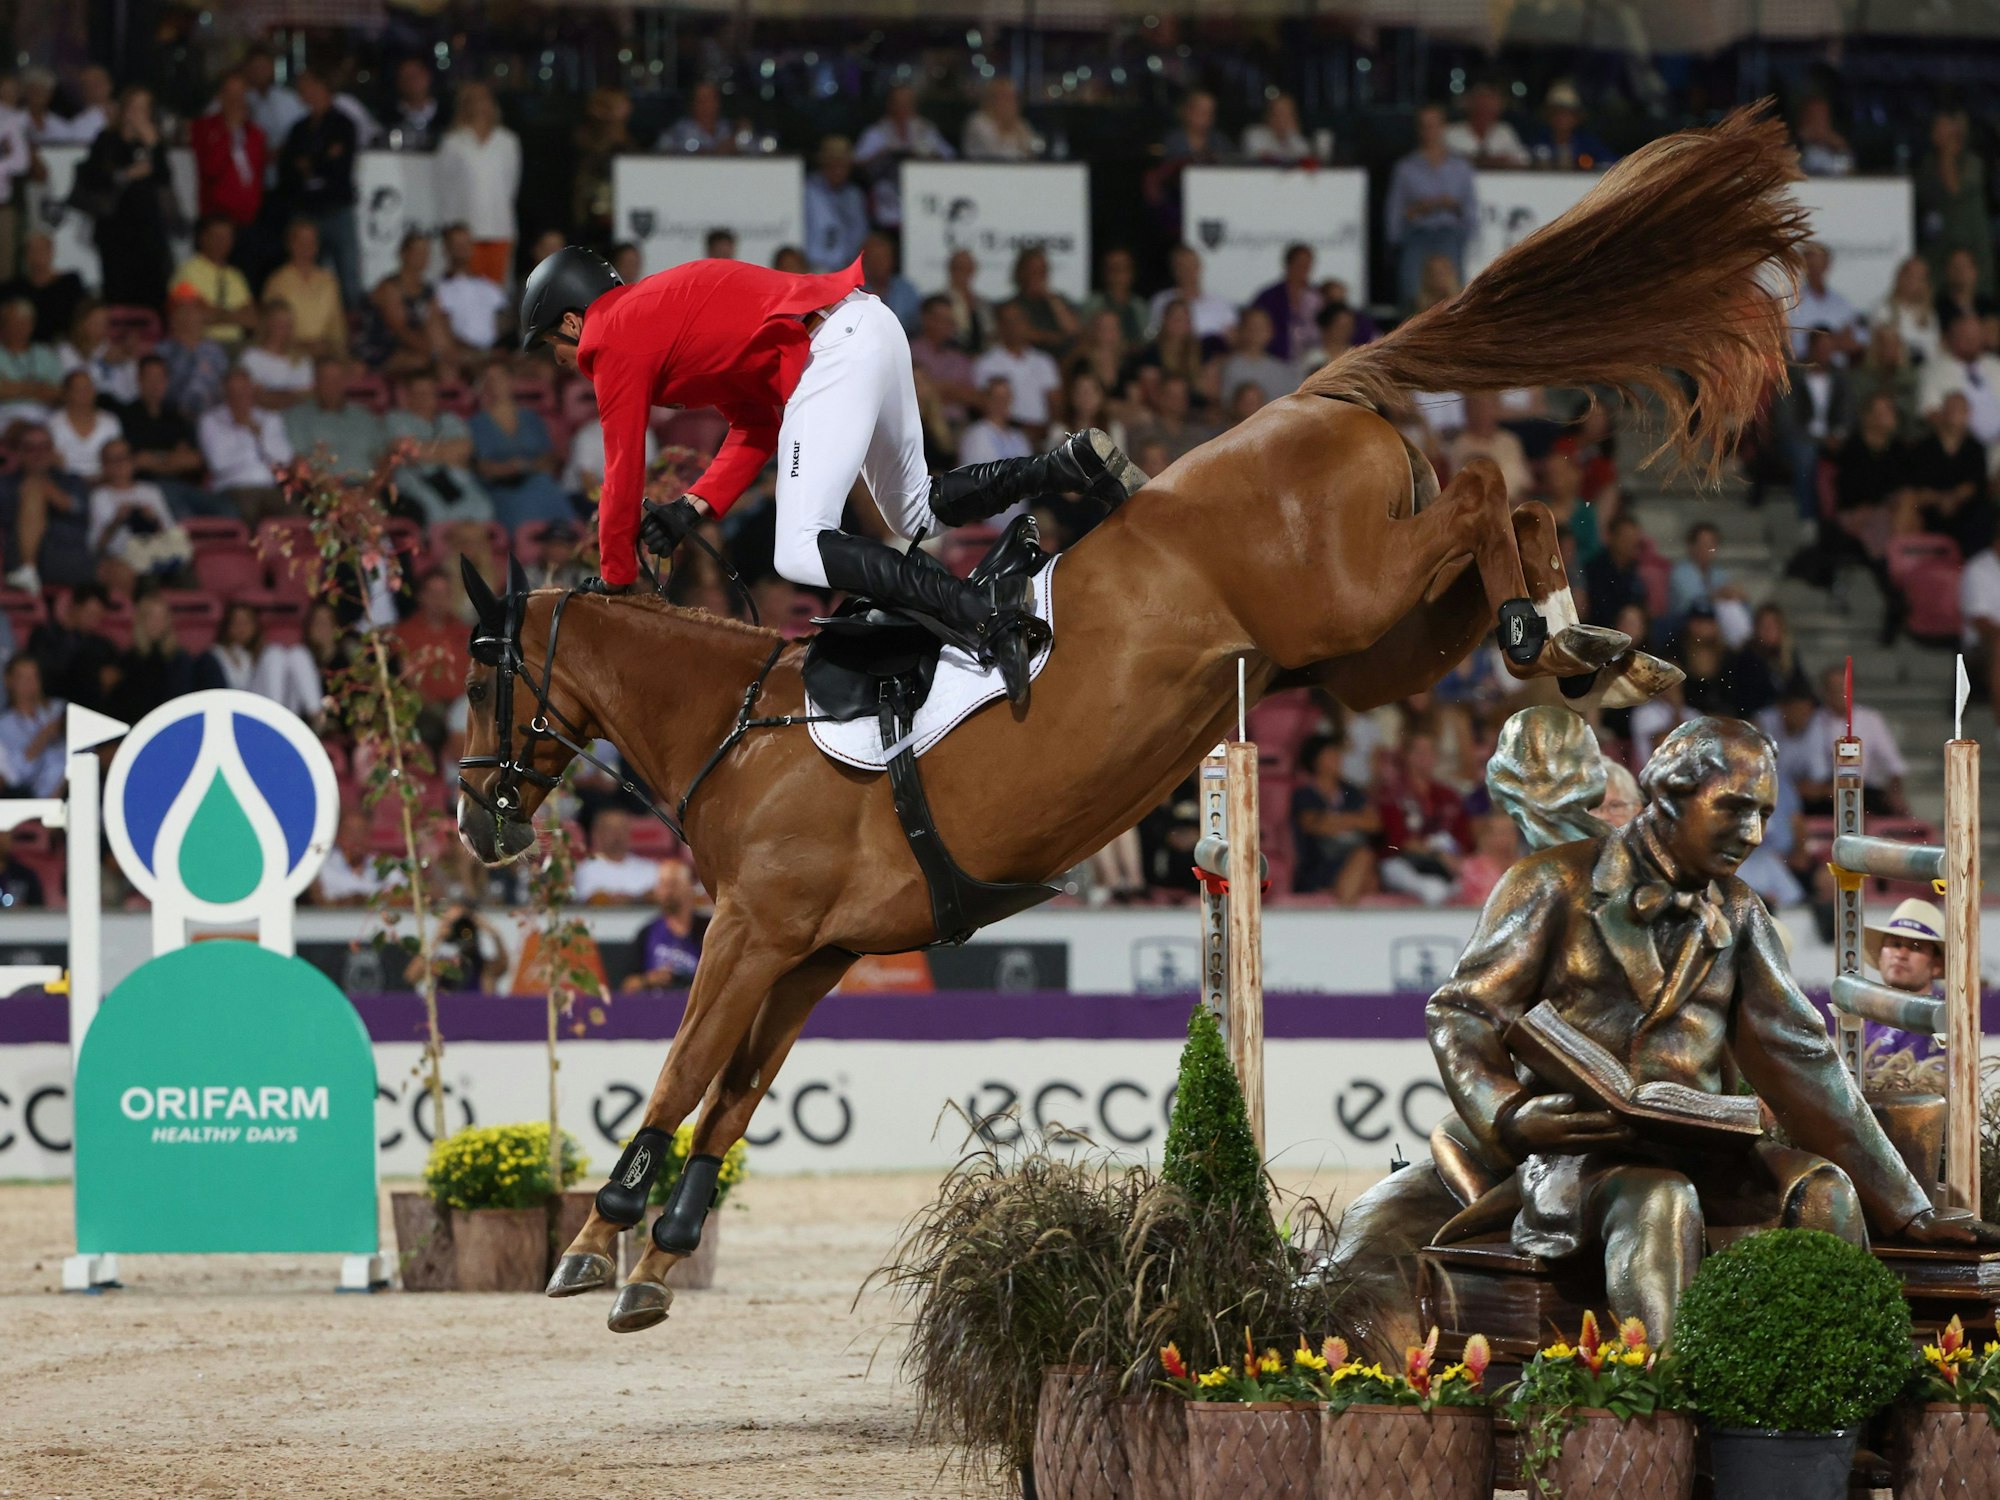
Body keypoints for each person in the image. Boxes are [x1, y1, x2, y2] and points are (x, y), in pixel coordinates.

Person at [1429, 719, 2000, 1345]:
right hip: (1581, 1158)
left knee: (1823, 1192)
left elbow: (1801, 1057)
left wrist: (1911, 1209)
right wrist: (1512, 1116)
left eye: (1763, 814)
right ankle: (1665, 1416)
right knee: (1660, 1201)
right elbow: (1464, 1013)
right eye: (1732, 806)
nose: (1752, 834)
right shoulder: (1549, 883)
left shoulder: (1741, 911)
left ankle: (1829, 1413)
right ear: (1669, 793)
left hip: (1709, 1150)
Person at [519, 244, 1138, 705]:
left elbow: (623, 464)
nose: (564, 362)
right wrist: (694, 506)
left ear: (574, 321)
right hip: (869, 323)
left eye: (555, 346)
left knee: (796, 549)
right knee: (914, 511)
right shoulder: (654, 319)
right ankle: (1068, 461)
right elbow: (758, 425)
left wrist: (616, 581)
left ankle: (981, 614)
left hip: (833, 346)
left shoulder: (613, 334)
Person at [77, 86, 174, 309]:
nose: (138, 114)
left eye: (144, 108)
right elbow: (93, 178)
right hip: (115, 230)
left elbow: (164, 178)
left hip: (148, 231)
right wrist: (126, 174)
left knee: (151, 289)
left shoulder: (151, 141)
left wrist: (154, 144)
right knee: (118, 290)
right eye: (134, 107)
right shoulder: (107, 139)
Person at [278, 71, 362, 308]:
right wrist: (324, 158)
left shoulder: (343, 124)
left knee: (348, 275)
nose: (306, 94)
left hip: (337, 209)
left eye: (310, 87)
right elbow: (290, 168)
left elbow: (340, 167)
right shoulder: (299, 128)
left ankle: (352, 328)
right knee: (310, 274)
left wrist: (311, 164)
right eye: (302, 90)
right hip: (307, 211)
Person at [1385, 104, 1477, 311]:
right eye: (1425, 126)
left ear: (1443, 127)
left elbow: (1470, 209)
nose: (1430, 132)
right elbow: (1395, 211)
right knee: (1412, 296)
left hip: (1449, 234)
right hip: (1417, 234)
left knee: (1453, 298)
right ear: (1419, 129)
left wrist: (1453, 208)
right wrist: (1417, 212)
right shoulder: (1406, 168)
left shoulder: (1460, 167)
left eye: (1434, 126)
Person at [434, 81, 519, 286]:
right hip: (465, 232)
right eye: (473, 100)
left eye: (484, 99)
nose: (480, 105)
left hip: (500, 229)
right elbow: (443, 188)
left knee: (496, 294)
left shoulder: (507, 141)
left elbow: (511, 185)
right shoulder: (453, 142)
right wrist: (450, 229)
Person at [1860, 897, 1947, 1090]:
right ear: (1881, 957)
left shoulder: (1944, 1022)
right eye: (1895, 944)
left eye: (1916, 947)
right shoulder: (1859, 1018)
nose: (1901, 954)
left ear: (1936, 965)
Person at [1374, 733, 1471, 906]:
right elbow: (1399, 841)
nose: (1425, 757)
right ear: (1406, 756)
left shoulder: (1448, 795)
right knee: (1434, 890)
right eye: (1418, 751)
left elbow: (1463, 839)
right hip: (1403, 863)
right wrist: (1438, 855)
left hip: (1445, 864)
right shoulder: (1392, 794)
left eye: (1429, 751)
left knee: (1469, 886)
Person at [468, 362, 570, 527]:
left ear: (511, 381)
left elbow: (548, 459)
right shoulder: (477, 423)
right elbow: (484, 467)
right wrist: (512, 468)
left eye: (500, 378)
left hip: (538, 483)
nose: (495, 384)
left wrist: (523, 466)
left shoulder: (531, 418)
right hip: (501, 489)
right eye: (489, 380)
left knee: (546, 488)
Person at [387, 368, 491, 525]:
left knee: (483, 510)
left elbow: (465, 449)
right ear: (408, 396)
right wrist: (447, 452)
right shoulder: (395, 418)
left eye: (429, 392)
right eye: (418, 393)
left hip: (453, 478)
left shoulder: (449, 419)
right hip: (414, 479)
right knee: (437, 517)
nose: (424, 398)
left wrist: (424, 451)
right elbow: (406, 451)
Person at [1289, 734, 1379, 900]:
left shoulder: (1351, 791)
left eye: (1338, 754)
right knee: (1365, 858)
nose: (1338, 759)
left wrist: (1334, 820)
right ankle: (1344, 917)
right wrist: (1354, 821)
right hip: (1320, 863)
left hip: (1351, 859)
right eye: (1331, 754)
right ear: (1316, 760)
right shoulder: (1304, 794)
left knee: (1369, 873)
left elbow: (1373, 823)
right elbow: (1314, 825)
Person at [1, 423, 90, 588]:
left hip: (65, 557)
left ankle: (28, 571)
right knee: (33, 488)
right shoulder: (5, 483)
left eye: (44, 447)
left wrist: (50, 492)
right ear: (19, 453)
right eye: (30, 448)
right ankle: (28, 569)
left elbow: (80, 510)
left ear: (53, 451)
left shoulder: (72, 481)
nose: (38, 454)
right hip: (15, 559)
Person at [1904, 391, 1993, 558]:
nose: (1955, 414)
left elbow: (1975, 484)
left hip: (1965, 512)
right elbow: (1916, 487)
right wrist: (1940, 499)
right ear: (1942, 413)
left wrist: (1953, 498)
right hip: (1930, 511)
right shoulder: (1924, 448)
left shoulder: (1975, 448)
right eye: (1951, 409)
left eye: (1961, 410)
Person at [853, 84, 954, 230]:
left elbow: (949, 157)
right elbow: (857, 163)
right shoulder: (876, 132)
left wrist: (927, 157)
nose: (903, 108)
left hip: (921, 205)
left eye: (908, 103)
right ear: (890, 105)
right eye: (899, 103)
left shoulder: (926, 130)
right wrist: (883, 155)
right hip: (885, 207)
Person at [198, 366, 294, 520]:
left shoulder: (270, 419)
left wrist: (259, 436)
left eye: (244, 389)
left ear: (252, 389)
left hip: (270, 488)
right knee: (247, 510)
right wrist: (243, 433)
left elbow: (284, 459)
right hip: (233, 489)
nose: (239, 395)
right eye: (234, 391)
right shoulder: (211, 421)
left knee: (296, 514)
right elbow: (219, 463)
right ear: (225, 392)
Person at [1919, 109, 1992, 299]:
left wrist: (1948, 148)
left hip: (1970, 246)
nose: (1935, 131)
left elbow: (1954, 188)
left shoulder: (1972, 162)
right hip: (1938, 248)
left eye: (1941, 126)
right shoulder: (1928, 163)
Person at [88, 438, 186, 579]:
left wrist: (153, 520)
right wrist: (117, 520)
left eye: (124, 457)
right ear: (104, 465)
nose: (121, 464)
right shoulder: (100, 496)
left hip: (156, 553)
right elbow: (96, 546)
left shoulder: (151, 491)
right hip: (122, 560)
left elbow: (170, 532)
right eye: (114, 459)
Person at [119, 355, 206, 513]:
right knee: (183, 515)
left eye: (159, 378)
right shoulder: (126, 416)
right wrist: (171, 460)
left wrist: (155, 460)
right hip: (145, 487)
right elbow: (135, 461)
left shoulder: (177, 416)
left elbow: (194, 460)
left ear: (167, 381)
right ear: (139, 380)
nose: (155, 385)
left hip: (183, 485)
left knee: (226, 510)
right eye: (149, 378)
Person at [359, 230, 450, 376]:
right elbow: (400, 330)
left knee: (449, 364)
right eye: (417, 252)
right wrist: (433, 353)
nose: (422, 257)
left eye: (425, 253)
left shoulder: (428, 291)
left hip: (418, 347)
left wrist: (446, 352)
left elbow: (435, 322)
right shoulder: (390, 287)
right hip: (384, 348)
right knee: (421, 362)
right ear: (404, 254)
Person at [971, 301, 1064, 437]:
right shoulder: (986, 363)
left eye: (1018, 320)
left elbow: (1055, 404)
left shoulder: (1044, 361)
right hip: (1004, 434)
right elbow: (985, 406)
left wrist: (1047, 431)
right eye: (1008, 321)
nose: (1014, 327)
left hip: (1043, 435)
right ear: (1000, 326)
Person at [189, 73, 266, 238]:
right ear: (221, 96)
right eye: (231, 94)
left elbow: (257, 174)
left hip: (250, 221)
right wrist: (229, 133)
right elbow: (210, 169)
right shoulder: (203, 129)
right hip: (217, 222)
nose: (236, 100)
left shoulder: (255, 133)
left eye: (240, 94)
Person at [285, 357, 384, 483]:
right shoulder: (298, 417)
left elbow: (383, 460)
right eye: (326, 379)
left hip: (367, 491)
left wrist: (369, 494)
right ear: (315, 382)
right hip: (322, 493)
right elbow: (298, 465)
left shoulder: (364, 417)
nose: (332, 385)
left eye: (337, 379)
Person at [262, 217, 348, 356]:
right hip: (290, 353)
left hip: (325, 354)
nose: (307, 246)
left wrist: (334, 349)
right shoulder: (277, 281)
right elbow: (270, 328)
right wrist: (302, 347)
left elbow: (337, 327)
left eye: (311, 241)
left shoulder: (328, 280)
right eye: (301, 241)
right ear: (290, 244)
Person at [170, 215, 256, 346]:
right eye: (216, 236)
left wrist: (216, 314)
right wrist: (234, 315)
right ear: (202, 238)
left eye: (227, 237)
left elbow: (251, 319)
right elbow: (192, 315)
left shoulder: (236, 276)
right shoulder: (188, 271)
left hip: (236, 345)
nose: (222, 242)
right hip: (200, 345)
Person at [1917, 313, 2000, 449]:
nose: (1971, 341)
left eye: (1975, 336)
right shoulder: (1934, 371)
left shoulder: (1995, 365)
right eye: (1965, 336)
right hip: (1962, 448)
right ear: (1951, 338)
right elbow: (1930, 412)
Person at [114, 587, 196, 722]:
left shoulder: (179, 658)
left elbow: (183, 699)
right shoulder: (128, 660)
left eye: (161, 617)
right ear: (141, 620)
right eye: (151, 617)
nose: (157, 623)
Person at [623, 860, 706, 989]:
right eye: (662, 884)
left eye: (673, 884)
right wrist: (649, 980)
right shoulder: (647, 933)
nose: (667, 891)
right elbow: (627, 986)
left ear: (690, 886)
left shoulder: (707, 929)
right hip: (655, 1005)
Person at [1668, 521, 1752, 646]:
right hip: (1686, 623)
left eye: (1712, 544)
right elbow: (1691, 602)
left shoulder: (1719, 574)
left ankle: (1743, 645)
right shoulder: (1680, 572)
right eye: (1703, 544)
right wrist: (1719, 595)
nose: (1707, 549)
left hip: (1716, 625)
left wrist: (1738, 595)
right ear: (1691, 545)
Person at [435, 223, 509, 354]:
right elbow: (442, 330)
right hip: (460, 355)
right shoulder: (438, 289)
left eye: (465, 243)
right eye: (456, 244)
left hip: (493, 355)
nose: (461, 249)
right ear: (446, 248)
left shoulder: (490, 287)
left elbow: (503, 324)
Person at [0, 235, 85, 346]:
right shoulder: (12, 289)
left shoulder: (70, 285)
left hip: (63, 348)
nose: (36, 256)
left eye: (41, 250)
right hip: (21, 349)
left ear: (51, 252)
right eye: (31, 250)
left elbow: (82, 317)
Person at [0, 654, 65, 796]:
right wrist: (43, 737)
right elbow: (14, 775)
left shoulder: (58, 709)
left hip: (73, 788)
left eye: (34, 676)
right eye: (23, 678)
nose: (30, 683)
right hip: (34, 800)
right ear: (8, 681)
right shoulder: (4, 726)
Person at [157, 296, 231, 418]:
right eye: (182, 312)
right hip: (172, 419)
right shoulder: (162, 351)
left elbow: (226, 386)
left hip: (212, 418)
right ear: (172, 318)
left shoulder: (215, 351)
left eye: (193, 312)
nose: (188, 318)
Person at [803, 136, 869, 273]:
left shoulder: (854, 195)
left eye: (843, 165)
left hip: (848, 268)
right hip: (814, 267)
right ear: (823, 165)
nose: (838, 170)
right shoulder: (808, 192)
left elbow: (861, 233)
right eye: (833, 164)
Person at [1146, 244, 1236, 342]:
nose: (1187, 271)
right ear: (1174, 270)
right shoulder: (1161, 300)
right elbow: (1152, 335)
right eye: (1181, 266)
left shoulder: (1221, 304)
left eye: (1191, 265)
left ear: (1199, 267)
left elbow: (1232, 340)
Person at [1249, 243, 1322, 363]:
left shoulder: (1317, 297)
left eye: (1307, 265)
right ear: (1288, 264)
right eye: (1299, 264)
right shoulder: (1269, 297)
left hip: (1312, 360)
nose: (1304, 269)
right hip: (1276, 359)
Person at [1789, 243, 1863, 361]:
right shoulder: (1789, 302)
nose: (1816, 270)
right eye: (1811, 265)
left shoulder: (1842, 304)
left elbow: (1858, 340)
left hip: (1836, 372)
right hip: (1802, 370)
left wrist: (1838, 343)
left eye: (1820, 264)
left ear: (1827, 266)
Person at [573, 809, 664, 904]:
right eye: (610, 829)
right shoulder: (585, 869)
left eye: (622, 828)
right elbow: (588, 901)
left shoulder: (651, 868)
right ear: (597, 834)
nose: (617, 835)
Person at [239, 301, 312, 409]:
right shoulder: (251, 357)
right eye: (279, 323)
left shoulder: (302, 359)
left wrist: (274, 395)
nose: (284, 329)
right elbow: (254, 396)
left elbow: (306, 395)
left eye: (288, 324)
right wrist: (289, 396)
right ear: (268, 324)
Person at [1217, 306, 1293, 409]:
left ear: (1271, 331)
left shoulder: (1281, 370)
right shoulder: (1229, 366)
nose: (1256, 332)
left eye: (1261, 327)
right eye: (1252, 327)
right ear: (1241, 330)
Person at [1528, 80, 1611, 171]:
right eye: (1556, 113)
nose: (1562, 118)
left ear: (1577, 117)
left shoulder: (1587, 143)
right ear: (1548, 116)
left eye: (1567, 114)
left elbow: (1610, 162)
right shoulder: (1538, 140)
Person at [1582, 514, 1648, 628]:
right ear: (1611, 537)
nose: (1631, 544)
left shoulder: (1635, 571)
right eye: (1626, 538)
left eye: (1634, 539)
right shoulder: (1594, 569)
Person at [1874, 255, 1940, 367]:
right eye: (1912, 276)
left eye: (1921, 278)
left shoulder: (1929, 314)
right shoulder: (1884, 310)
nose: (1915, 283)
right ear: (1900, 277)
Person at [1445, 81, 1529, 167]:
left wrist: (1500, 160)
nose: (1485, 109)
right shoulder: (1451, 132)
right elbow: (1441, 159)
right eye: (1481, 104)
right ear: (1470, 106)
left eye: (1489, 106)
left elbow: (1523, 158)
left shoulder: (1504, 131)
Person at [1078, 247, 1147, 350]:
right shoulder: (1093, 304)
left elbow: (1146, 340)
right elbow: (1083, 337)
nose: (1118, 274)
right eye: (1113, 268)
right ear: (1105, 272)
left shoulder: (1139, 306)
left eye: (1124, 268)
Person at [957, 376, 1031, 470]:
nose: (1003, 403)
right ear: (987, 400)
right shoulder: (977, 435)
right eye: (998, 398)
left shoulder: (1018, 437)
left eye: (1007, 397)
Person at [961, 77, 1042, 162]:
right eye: (1004, 97)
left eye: (1013, 98)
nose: (1011, 103)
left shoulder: (1021, 124)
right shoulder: (978, 122)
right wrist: (1005, 126)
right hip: (982, 171)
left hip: (1017, 172)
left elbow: (1032, 151)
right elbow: (996, 153)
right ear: (991, 99)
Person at [315, 809, 385, 905]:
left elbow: (405, 895)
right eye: (350, 833)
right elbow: (318, 903)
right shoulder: (321, 867)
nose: (357, 839)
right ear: (338, 835)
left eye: (361, 832)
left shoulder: (383, 864)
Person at [859, 232, 920, 336]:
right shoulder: (854, 292)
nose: (878, 263)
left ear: (893, 260)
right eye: (874, 258)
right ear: (863, 261)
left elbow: (916, 326)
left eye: (883, 258)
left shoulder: (906, 290)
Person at [659, 80, 735, 155]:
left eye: (710, 99)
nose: (706, 105)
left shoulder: (727, 128)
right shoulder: (679, 131)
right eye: (701, 100)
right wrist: (716, 151)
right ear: (693, 104)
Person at [1242, 93, 1315, 164]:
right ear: (1269, 115)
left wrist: (1292, 135)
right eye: (1278, 113)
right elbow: (1262, 158)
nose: (1282, 119)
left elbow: (1304, 157)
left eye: (1287, 114)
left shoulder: (1296, 139)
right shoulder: (1254, 134)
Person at [388, 56, 442, 150]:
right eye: (406, 77)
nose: (412, 81)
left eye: (416, 75)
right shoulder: (388, 118)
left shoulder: (448, 115)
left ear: (428, 76)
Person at [1793, 96, 1854, 178]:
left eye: (1821, 116)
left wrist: (1839, 145)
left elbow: (1852, 172)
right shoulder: (1792, 143)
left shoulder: (1838, 146)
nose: (1818, 121)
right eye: (1813, 116)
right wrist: (1801, 140)